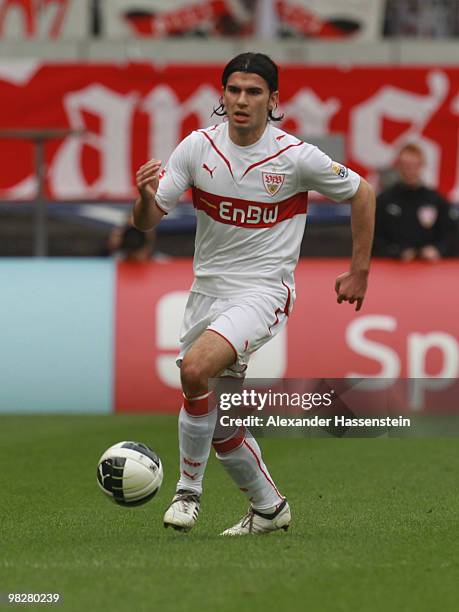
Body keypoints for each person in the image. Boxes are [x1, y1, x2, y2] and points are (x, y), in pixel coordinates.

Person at [133, 52, 375, 535]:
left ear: (273, 100)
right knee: (222, 426)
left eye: (254, 92)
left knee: (195, 369)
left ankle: (187, 493)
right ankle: (269, 510)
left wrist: (359, 271)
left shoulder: (294, 156)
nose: (242, 101)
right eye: (234, 90)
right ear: (222, 96)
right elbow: (147, 222)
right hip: (207, 293)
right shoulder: (197, 148)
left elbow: (363, 192)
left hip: (264, 292)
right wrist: (143, 198)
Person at [374, 143, 457, 262]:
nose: (410, 170)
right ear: (397, 166)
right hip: (393, 267)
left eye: (414, 165)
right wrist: (396, 252)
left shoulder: (436, 200)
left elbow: (450, 234)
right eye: (405, 165)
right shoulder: (384, 200)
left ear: (422, 165)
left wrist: (438, 249)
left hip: (429, 267)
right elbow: (374, 237)